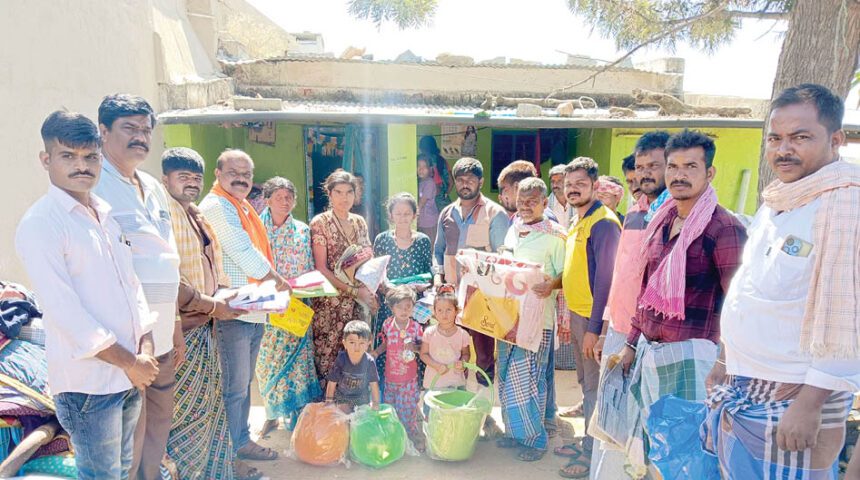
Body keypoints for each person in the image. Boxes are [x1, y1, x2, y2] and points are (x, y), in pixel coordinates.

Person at [704, 84, 860, 479]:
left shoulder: (846, 207)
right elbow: (752, 288)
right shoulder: (780, 200)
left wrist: (810, 403)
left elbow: (848, 317)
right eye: (775, 138)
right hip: (747, 382)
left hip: (797, 394)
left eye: (801, 137)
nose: (783, 149)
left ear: (836, 140)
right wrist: (726, 358)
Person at [16, 111, 158, 479]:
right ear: (46, 160)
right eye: (68, 156)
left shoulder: (103, 214)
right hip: (89, 386)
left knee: (121, 470)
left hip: (128, 375)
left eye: (90, 157)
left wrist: (143, 347)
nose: (82, 166)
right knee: (101, 475)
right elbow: (65, 312)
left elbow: (131, 286)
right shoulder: (42, 223)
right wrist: (130, 360)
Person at [617, 130, 746, 474]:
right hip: (653, 356)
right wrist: (631, 342)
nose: (679, 174)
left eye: (691, 166)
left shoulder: (724, 228)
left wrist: (725, 362)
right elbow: (647, 291)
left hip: (696, 361)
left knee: (692, 456)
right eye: (673, 166)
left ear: (710, 172)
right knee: (656, 447)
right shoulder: (662, 221)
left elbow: (739, 304)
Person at [93, 94, 181, 480]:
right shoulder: (94, 183)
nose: (140, 138)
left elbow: (168, 258)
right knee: (129, 436)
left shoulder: (152, 186)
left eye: (146, 130)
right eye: (129, 128)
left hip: (162, 336)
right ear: (103, 131)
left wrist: (175, 322)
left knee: (158, 428)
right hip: (127, 342)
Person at [160, 148, 259, 480]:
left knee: (212, 405)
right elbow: (168, 282)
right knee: (188, 412)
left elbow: (210, 266)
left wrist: (220, 297)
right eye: (182, 177)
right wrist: (214, 304)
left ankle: (217, 469)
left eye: (194, 178)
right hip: (181, 329)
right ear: (165, 179)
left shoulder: (195, 214)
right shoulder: (168, 215)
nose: (190, 184)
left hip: (206, 321)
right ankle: (187, 472)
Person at [199, 149, 290, 463]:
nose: (241, 179)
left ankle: (238, 439)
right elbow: (240, 248)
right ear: (218, 173)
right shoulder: (217, 205)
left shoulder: (241, 206)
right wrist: (276, 279)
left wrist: (272, 292)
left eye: (247, 174)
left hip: (251, 305)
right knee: (235, 385)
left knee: (242, 383)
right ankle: (234, 445)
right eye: (234, 172)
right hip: (232, 309)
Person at [588, 139, 669, 479]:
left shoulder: (675, 215)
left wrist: (634, 341)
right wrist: (606, 328)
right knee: (609, 424)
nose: (644, 174)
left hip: (647, 339)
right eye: (640, 166)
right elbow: (622, 276)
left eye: (654, 165)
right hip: (620, 330)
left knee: (639, 431)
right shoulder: (637, 211)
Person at [556, 157, 621, 478]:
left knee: (594, 388)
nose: (573, 190)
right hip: (579, 315)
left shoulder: (604, 223)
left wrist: (595, 330)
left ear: (595, 186)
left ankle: (592, 454)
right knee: (586, 385)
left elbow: (606, 282)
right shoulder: (579, 219)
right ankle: (587, 442)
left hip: (595, 321)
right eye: (569, 185)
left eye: (581, 184)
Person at [495, 178, 566, 462]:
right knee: (506, 377)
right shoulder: (514, 228)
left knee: (527, 380)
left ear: (544, 203)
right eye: (521, 201)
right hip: (508, 317)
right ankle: (515, 433)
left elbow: (565, 274)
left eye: (532, 201)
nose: (525, 206)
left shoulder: (557, 235)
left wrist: (551, 285)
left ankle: (536, 440)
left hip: (538, 320)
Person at [433, 157, 509, 392]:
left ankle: (484, 408)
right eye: (461, 180)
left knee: (484, 354)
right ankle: (457, 403)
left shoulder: (495, 214)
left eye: (471, 180)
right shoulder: (447, 213)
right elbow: (438, 252)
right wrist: (438, 279)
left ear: (481, 182)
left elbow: (503, 257)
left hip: (482, 297)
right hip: (452, 296)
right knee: (455, 351)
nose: (465, 184)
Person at [254, 177, 321, 438]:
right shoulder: (256, 229)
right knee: (266, 363)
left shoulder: (303, 230)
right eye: (279, 197)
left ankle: (298, 418)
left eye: (289, 197)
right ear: (267, 200)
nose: (285, 202)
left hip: (296, 306)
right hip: (266, 308)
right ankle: (271, 415)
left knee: (299, 364)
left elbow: (309, 266)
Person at [310, 169, 375, 382]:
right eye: (338, 192)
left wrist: (368, 291)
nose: (344, 197)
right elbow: (321, 268)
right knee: (328, 355)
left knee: (355, 354)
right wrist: (353, 291)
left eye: (349, 192)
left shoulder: (359, 222)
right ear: (329, 194)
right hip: (330, 302)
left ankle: (352, 405)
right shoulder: (320, 223)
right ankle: (326, 410)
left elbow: (368, 258)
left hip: (357, 302)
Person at [372, 193, 432, 397]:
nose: (403, 217)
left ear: (415, 214)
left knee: (413, 349)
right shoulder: (382, 239)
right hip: (389, 306)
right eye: (398, 213)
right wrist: (389, 288)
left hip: (414, 309)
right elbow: (377, 272)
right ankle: (387, 399)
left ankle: (413, 400)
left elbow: (429, 273)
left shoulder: (423, 241)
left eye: (407, 213)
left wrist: (419, 286)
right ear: (390, 215)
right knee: (389, 349)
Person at [372, 286, 424, 450]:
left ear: (413, 307)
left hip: (408, 378)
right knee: (391, 408)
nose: (404, 310)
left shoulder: (415, 327)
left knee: (407, 409)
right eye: (400, 307)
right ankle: (395, 437)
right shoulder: (387, 325)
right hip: (390, 377)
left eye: (408, 307)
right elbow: (386, 344)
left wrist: (413, 346)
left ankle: (411, 436)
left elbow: (422, 348)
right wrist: (376, 352)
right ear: (392, 308)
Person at [419, 284, 471, 393]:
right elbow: (423, 354)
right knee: (433, 409)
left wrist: (463, 363)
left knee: (455, 409)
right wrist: (436, 366)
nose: (444, 314)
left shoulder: (462, 334)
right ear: (434, 312)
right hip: (434, 383)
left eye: (448, 310)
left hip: (456, 383)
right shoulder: (429, 333)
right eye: (440, 310)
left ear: (456, 311)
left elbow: (466, 354)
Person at [325, 320, 381, 412]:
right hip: (343, 396)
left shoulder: (369, 361)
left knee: (360, 418)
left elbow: (374, 384)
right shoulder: (341, 359)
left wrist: (375, 403)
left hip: (361, 397)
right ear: (345, 343)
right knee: (343, 417)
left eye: (362, 343)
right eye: (352, 343)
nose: (357, 347)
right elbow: (332, 381)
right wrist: (328, 401)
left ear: (368, 344)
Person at [419, 135, 453, 210]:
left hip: (425, 201)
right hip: (442, 201)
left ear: (421, 147)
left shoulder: (420, 160)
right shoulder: (442, 160)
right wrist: (445, 194)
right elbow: (451, 182)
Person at [417, 155, 440, 246]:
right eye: (418, 166)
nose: (421, 169)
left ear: (430, 169)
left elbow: (422, 203)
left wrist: (414, 217)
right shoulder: (419, 182)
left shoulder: (429, 183)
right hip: (422, 221)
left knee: (430, 246)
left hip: (429, 221)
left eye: (424, 167)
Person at [547, 164, 571, 229]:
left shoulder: (577, 202)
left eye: (559, 181)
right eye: (552, 181)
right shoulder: (545, 206)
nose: (555, 185)